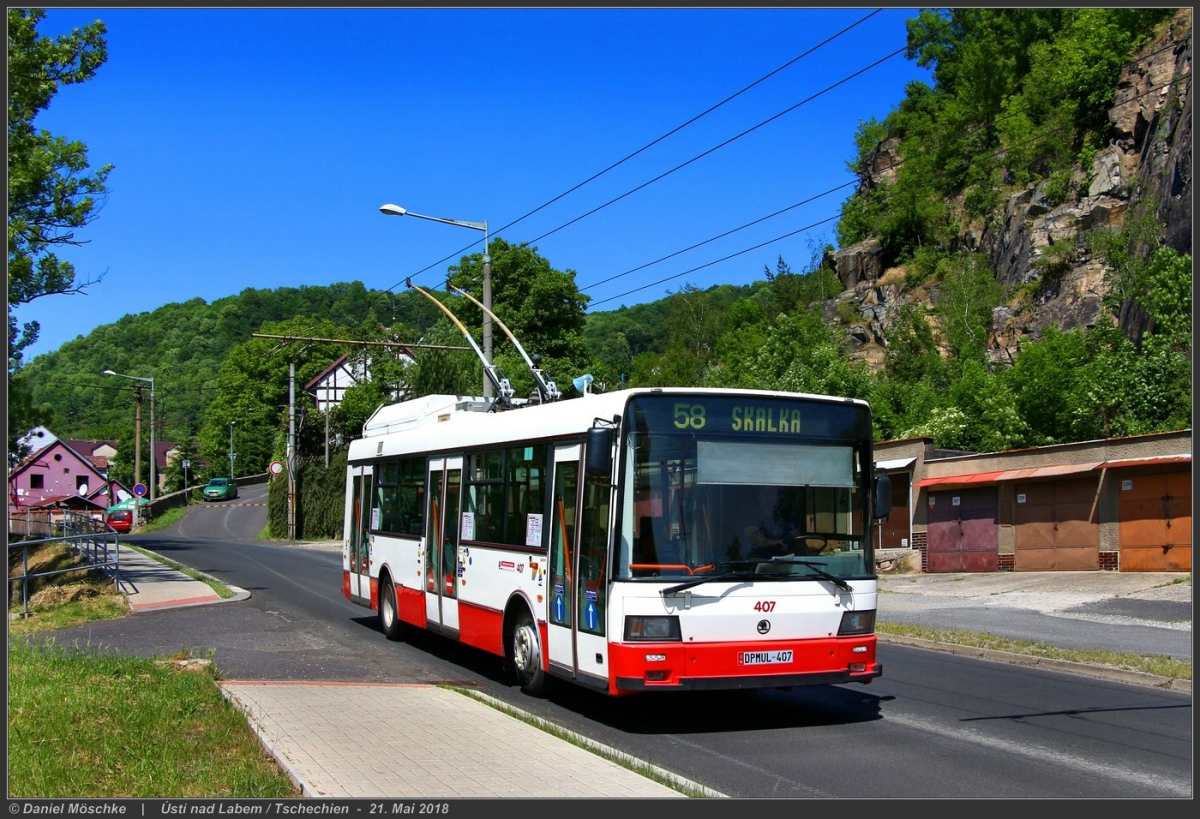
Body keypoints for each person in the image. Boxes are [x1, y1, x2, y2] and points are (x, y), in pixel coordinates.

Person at [744, 485, 801, 556]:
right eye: (766, 493)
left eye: (772, 494)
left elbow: (798, 540)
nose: (769, 497)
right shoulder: (751, 516)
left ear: (777, 496)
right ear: (758, 496)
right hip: (758, 562)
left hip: (787, 561)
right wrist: (774, 543)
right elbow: (757, 539)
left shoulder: (786, 516)